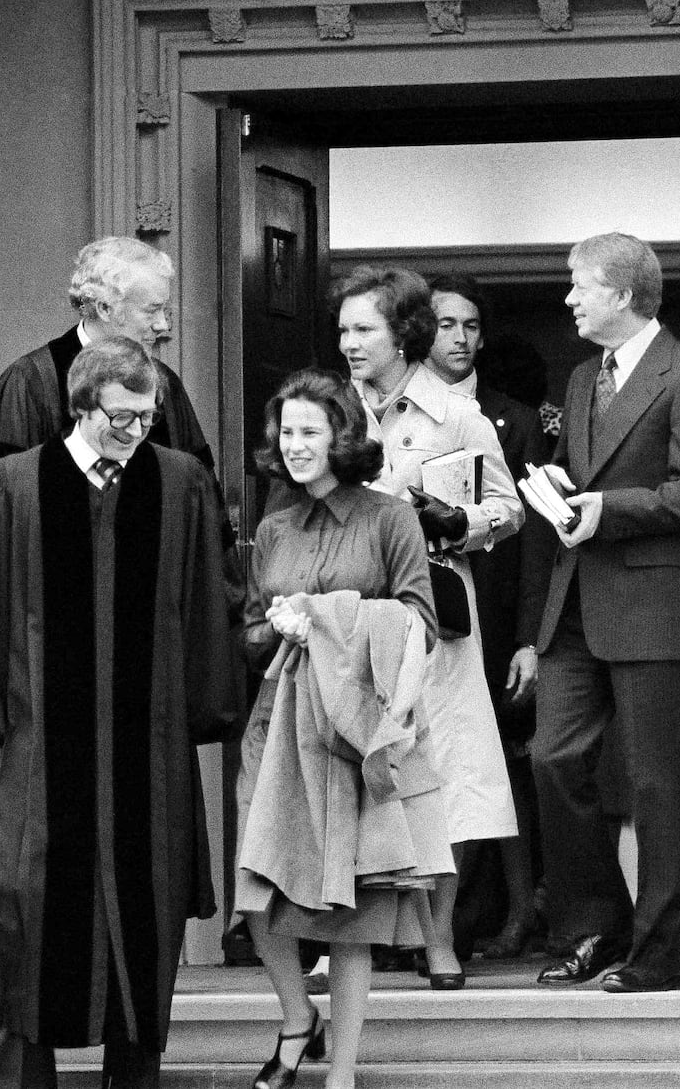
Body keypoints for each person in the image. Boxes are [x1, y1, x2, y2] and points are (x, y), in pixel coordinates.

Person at [0, 338, 243, 1087]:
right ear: (81, 405)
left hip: (147, 752)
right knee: (26, 911)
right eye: (123, 417)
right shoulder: (15, 486)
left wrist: (200, 713)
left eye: (148, 416)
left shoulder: (180, 485)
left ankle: (134, 1078)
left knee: (147, 915)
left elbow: (205, 607)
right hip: (36, 750)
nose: (138, 432)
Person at [236, 368, 452, 1089]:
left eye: (309, 432)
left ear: (342, 437)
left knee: (351, 910)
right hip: (279, 729)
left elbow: (423, 621)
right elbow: (246, 633)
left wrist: (329, 616)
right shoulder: (272, 528)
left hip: (354, 733)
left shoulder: (389, 519)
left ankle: (344, 1072)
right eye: (286, 433)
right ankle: (299, 1020)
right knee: (260, 891)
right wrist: (277, 626)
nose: (294, 446)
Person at [529, 232, 680, 994]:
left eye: (580, 286)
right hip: (576, 596)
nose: (570, 299)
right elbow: (591, 474)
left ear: (622, 293)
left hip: (651, 598)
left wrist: (604, 506)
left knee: (654, 782)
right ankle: (594, 924)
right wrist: (559, 486)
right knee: (552, 757)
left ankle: (655, 953)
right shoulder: (583, 377)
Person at [337, 265, 521, 989]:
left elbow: (508, 509)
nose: (349, 342)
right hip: (350, 618)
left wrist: (460, 521)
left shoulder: (457, 416)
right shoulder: (326, 409)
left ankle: (437, 937)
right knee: (349, 777)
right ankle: (346, 939)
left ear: (402, 335)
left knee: (447, 779)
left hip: (436, 617)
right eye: (344, 329)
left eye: (363, 330)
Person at [0, 234, 226, 636]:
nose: (163, 325)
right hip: (51, 615)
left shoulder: (163, 385)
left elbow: (200, 501)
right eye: (152, 310)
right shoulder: (32, 381)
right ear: (104, 307)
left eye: (165, 310)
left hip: (152, 612)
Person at [425, 273, 551, 959]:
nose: (461, 338)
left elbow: (533, 540)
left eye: (471, 325)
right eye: (447, 324)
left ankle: (484, 918)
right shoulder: (391, 413)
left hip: (493, 621)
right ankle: (422, 925)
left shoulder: (514, 419)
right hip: (418, 623)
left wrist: (529, 639)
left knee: (489, 772)